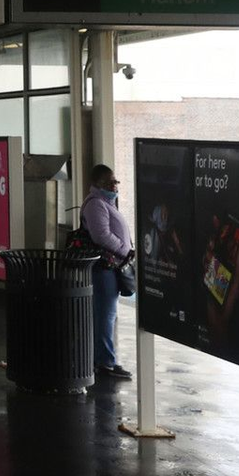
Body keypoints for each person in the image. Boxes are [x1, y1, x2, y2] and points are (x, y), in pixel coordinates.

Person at [84, 163, 136, 380]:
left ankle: (106, 359)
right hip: (104, 268)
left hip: (111, 267)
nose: (115, 186)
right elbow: (101, 236)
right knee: (105, 315)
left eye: (115, 181)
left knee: (108, 315)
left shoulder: (107, 203)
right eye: (109, 182)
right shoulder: (96, 205)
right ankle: (104, 362)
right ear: (97, 184)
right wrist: (126, 250)